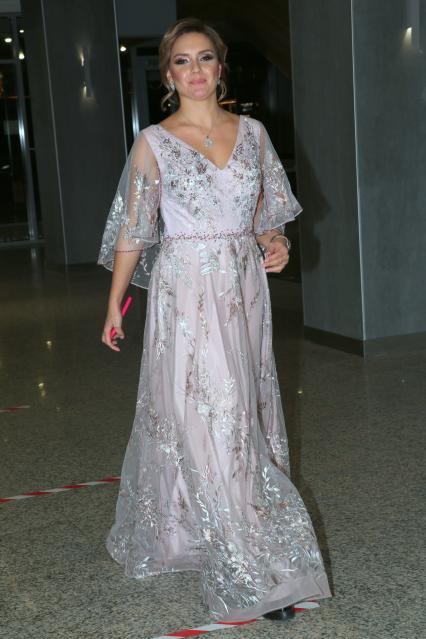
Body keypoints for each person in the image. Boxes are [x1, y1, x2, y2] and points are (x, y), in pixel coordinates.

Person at [98, 17, 331, 623]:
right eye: (182, 61)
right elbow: (134, 231)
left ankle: (209, 531)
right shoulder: (154, 141)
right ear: (168, 75)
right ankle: (250, 568)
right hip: (185, 295)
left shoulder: (253, 134)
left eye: (205, 58)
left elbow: (265, 219)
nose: (195, 70)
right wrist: (115, 303)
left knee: (242, 415)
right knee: (215, 420)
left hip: (243, 293)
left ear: (221, 67)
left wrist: (275, 244)